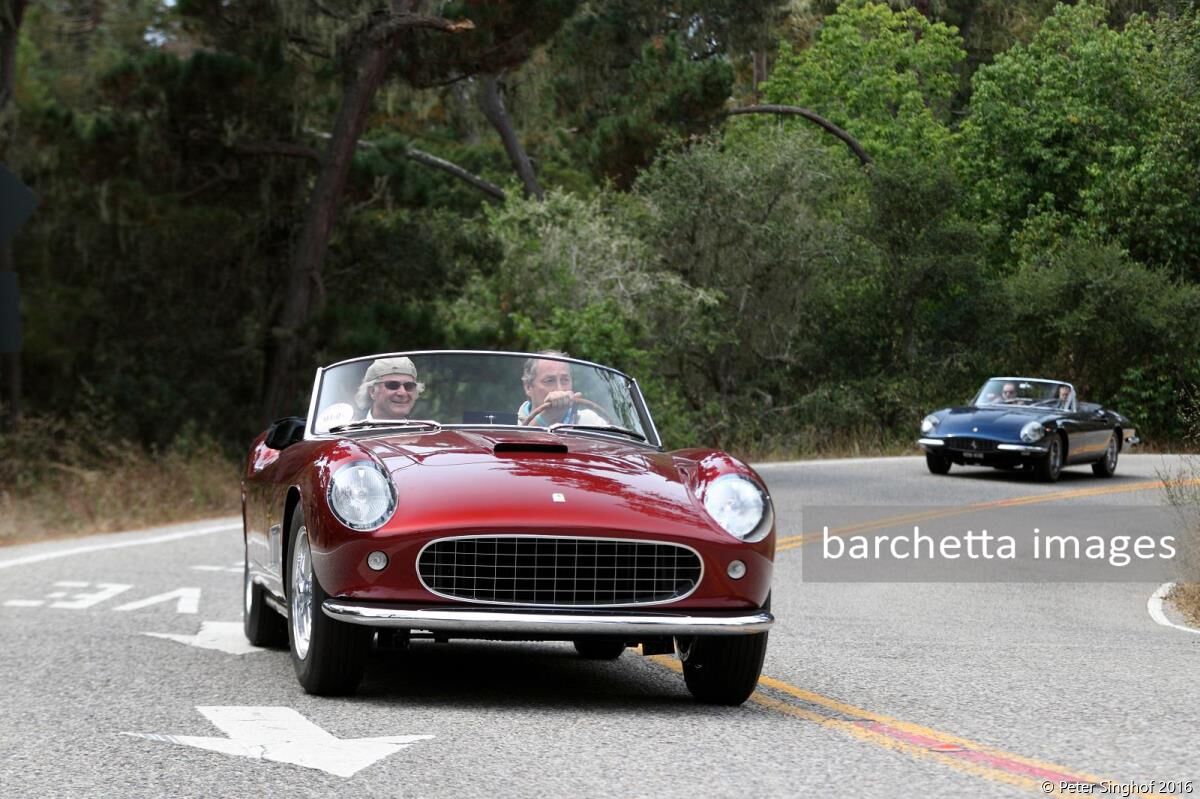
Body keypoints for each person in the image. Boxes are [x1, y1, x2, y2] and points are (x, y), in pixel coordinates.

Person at [518, 351, 606, 427]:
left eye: (565, 380)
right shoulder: (510, 426)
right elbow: (518, 444)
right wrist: (547, 416)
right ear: (528, 387)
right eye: (549, 381)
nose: (559, 389)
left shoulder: (591, 421)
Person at [354, 357, 424, 421]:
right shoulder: (350, 431)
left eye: (409, 386)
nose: (402, 392)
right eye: (392, 385)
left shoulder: (426, 432)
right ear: (372, 391)